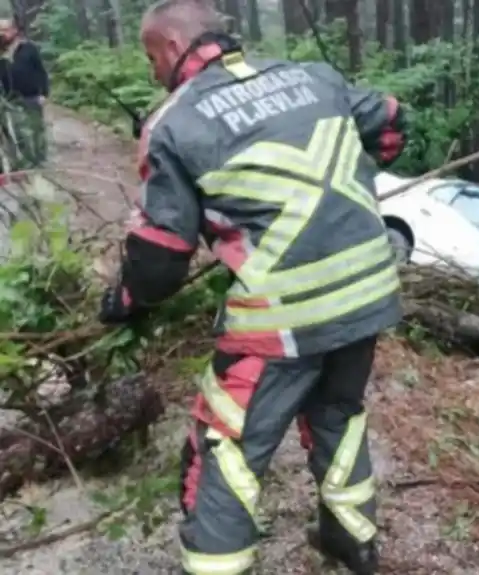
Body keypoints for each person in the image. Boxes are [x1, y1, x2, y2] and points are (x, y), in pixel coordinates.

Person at [96, 1, 407, 573]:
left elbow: (161, 261)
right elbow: (388, 118)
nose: (151, 73)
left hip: (283, 318)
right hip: (369, 291)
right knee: (338, 411)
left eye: (149, 59)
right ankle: (352, 541)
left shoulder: (174, 123)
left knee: (225, 446)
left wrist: (125, 300)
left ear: (170, 48)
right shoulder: (313, 75)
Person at [0, 19, 48, 169]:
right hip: (11, 99)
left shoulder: (28, 48)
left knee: (36, 130)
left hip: (32, 96)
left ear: (14, 30)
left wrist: (44, 93)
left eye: (5, 30)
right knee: (19, 132)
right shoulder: (1, 52)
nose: (2, 33)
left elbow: (41, 72)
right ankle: (25, 163)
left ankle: (40, 161)